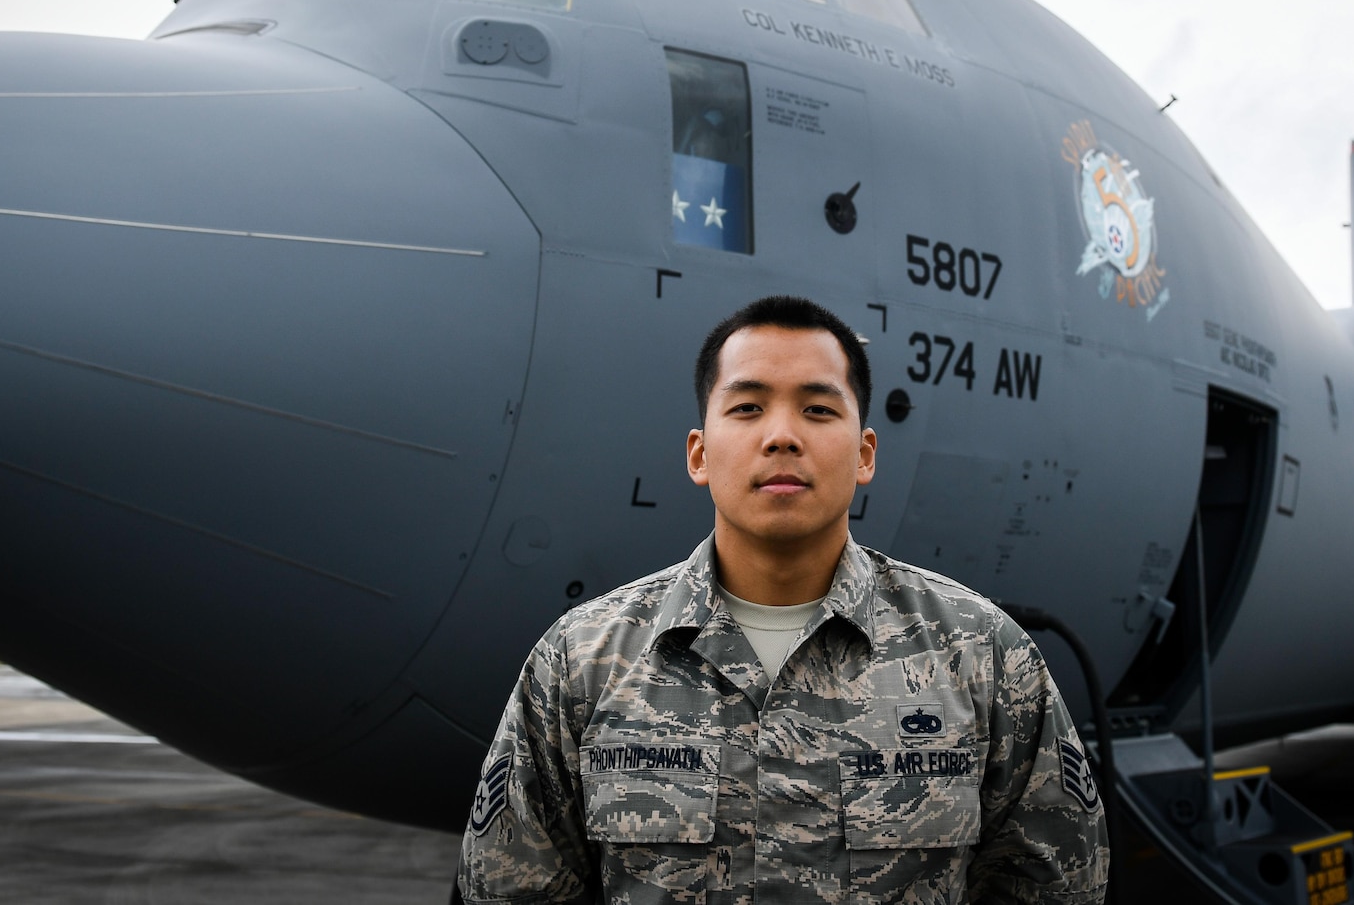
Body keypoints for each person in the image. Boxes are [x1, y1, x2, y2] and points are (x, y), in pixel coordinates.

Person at [460, 295, 1108, 903]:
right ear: (699, 453)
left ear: (864, 453)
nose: (781, 436)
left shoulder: (983, 657)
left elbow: (1057, 883)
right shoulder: (582, 662)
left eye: (819, 409)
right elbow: (512, 886)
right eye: (746, 408)